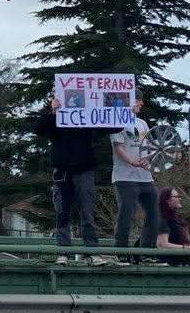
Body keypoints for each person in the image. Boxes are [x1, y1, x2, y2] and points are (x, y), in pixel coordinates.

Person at [33, 91, 101, 264]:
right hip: (62, 170)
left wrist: (126, 113)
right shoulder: (54, 117)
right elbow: (38, 128)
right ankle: (63, 252)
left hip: (85, 169)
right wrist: (53, 112)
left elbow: (110, 125)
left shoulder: (87, 115)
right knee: (62, 213)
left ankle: (92, 252)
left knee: (87, 212)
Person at [111, 99, 158, 262]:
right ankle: (121, 252)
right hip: (124, 177)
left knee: (153, 213)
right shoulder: (117, 122)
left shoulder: (142, 123)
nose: (141, 104)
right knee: (127, 213)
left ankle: (147, 252)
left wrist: (149, 159)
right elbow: (118, 147)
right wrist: (132, 161)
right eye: (138, 100)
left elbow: (149, 146)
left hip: (145, 177)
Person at [155, 187, 190, 264]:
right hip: (170, 265)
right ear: (167, 200)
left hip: (182, 263)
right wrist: (185, 248)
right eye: (176, 196)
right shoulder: (161, 219)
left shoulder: (174, 218)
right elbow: (161, 244)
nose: (179, 199)